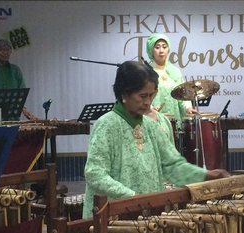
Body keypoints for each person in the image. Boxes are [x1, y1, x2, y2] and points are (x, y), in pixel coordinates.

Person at [83, 61, 229, 218]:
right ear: (124, 94)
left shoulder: (151, 126)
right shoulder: (106, 125)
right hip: (112, 219)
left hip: (147, 215)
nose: (148, 102)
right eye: (142, 96)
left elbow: (172, 165)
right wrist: (132, 197)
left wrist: (205, 175)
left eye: (152, 95)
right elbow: (95, 174)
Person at [146, 33, 196, 129]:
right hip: (154, 120)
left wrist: (188, 108)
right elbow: (142, 96)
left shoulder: (175, 71)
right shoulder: (146, 71)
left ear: (168, 49)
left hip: (174, 120)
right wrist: (150, 109)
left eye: (164, 47)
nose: (161, 51)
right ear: (150, 50)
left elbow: (183, 94)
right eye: (157, 47)